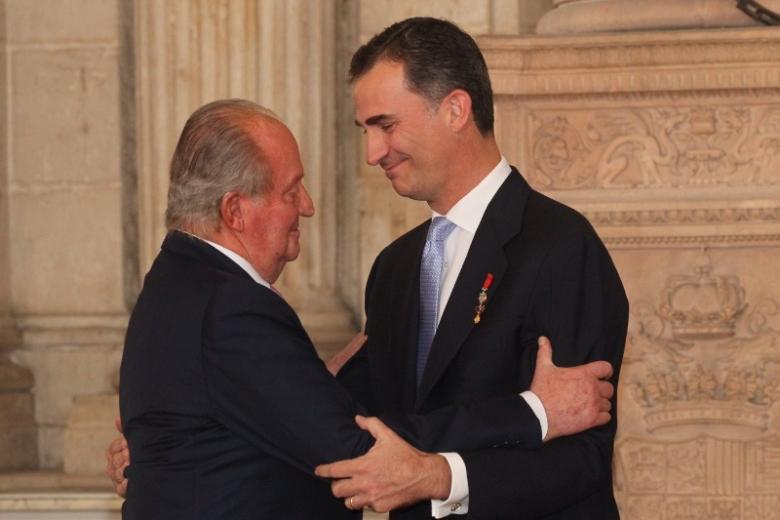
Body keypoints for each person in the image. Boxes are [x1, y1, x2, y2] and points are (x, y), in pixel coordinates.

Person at [115, 98, 616, 519]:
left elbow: (273, 422)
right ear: (234, 210)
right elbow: (353, 446)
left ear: (456, 110)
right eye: (290, 190)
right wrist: (537, 412)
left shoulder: (178, 282)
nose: (307, 205)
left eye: (386, 124)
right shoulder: (229, 304)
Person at [316, 17, 629, 519]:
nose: (373, 153)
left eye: (386, 125)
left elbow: (581, 460)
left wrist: (442, 477)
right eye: (367, 130)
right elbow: (383, 426)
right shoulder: (393, 268)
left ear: (457, 109)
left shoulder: (560, 246)